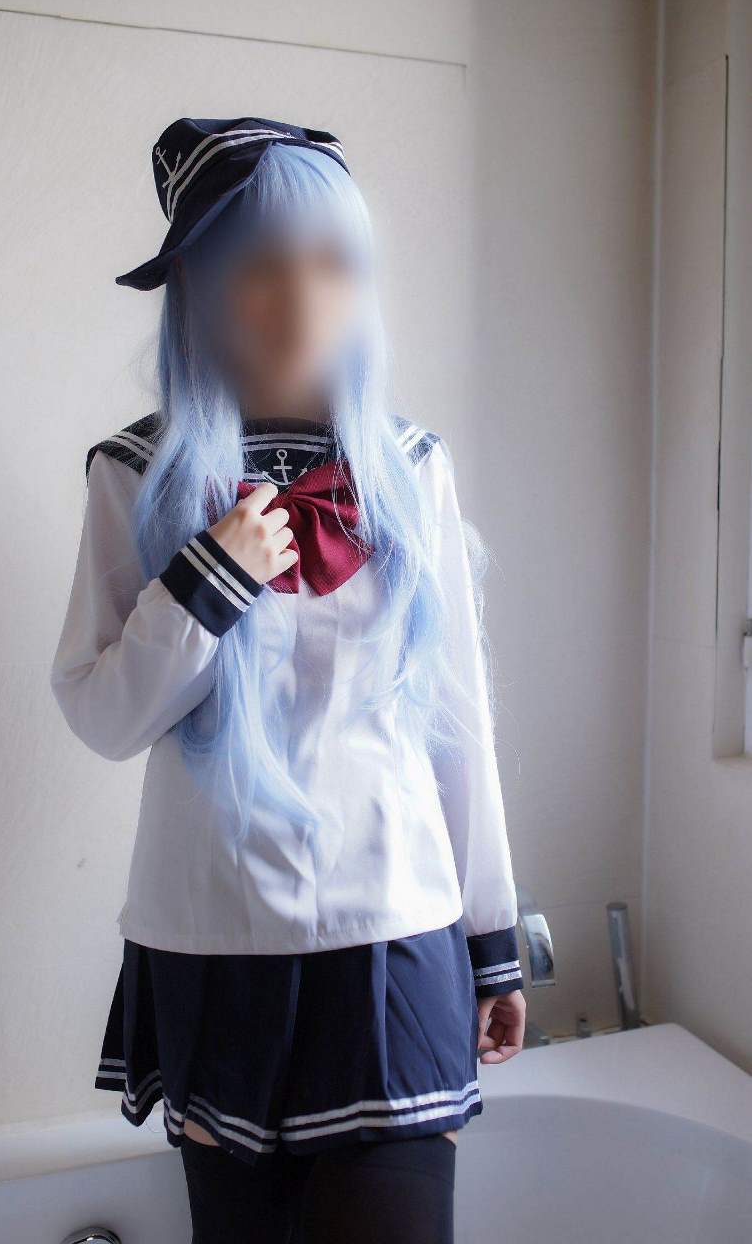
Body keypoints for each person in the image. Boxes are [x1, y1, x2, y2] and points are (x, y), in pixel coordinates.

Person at [52, 116, 525, 1244]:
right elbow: (103, 713)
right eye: (260, 264)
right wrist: (205, 583)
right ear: (196, 286)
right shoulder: (132, 474)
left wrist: (494, 938)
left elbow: (455, 723)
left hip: (394, 937)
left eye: (333, 262)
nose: (303, 298)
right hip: (214, 941)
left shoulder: (409, 469)